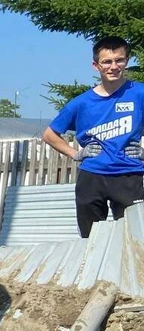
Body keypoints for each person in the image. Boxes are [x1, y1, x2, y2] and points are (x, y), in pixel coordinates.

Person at [43, 36, 144, 238]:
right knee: (90, 239)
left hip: (129, 175)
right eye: (107, 61)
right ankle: (94, 270)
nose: (114, 66)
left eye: (119, 60)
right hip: (92, 177)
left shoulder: (139, 93)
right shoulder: (80, 103)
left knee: (135, 237)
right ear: (95, 65)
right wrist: (76, 154)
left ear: (127, 60)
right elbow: (49, 134)